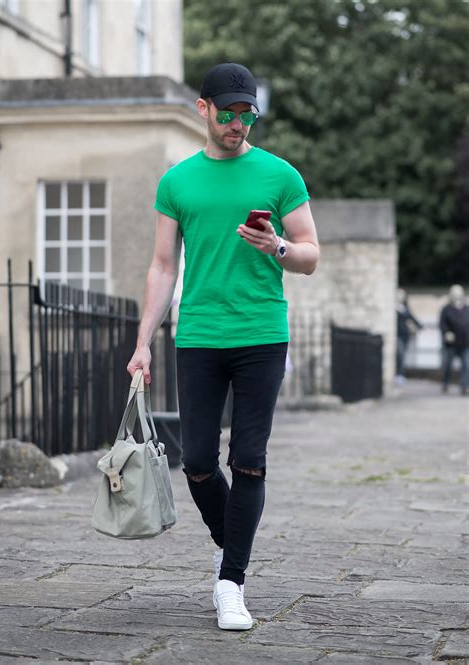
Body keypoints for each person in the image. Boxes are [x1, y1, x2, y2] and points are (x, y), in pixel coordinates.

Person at [127, 62, 319, 631]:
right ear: (203, 110)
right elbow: (164, 266)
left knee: (249, 460)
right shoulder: (177, 181)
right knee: (198, 463)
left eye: (247, 114)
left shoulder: (280, 174)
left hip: (262, 333)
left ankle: (231, 581)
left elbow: (310, 254)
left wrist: (276, 245)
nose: (238, 124)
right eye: (228, 113)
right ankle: (231, 546)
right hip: (201, 335)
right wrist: (143, 343)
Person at [439, 284, 469, 395]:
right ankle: (446, 383)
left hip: (465, 342)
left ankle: (465, 386)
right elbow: (442, 324)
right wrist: (446, 333)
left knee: (467, 365)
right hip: (451, 343)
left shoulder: (466, 308)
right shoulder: (446, 309)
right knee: (448, 365)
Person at [395, 288, 422, 385]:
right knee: (400, 355)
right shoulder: (393, 308)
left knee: (403, 356)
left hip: (405, 335)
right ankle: (398, 374)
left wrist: (420, 326)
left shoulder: (404, 308)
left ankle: (401, 375)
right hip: (397, 335)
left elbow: (412, 318)